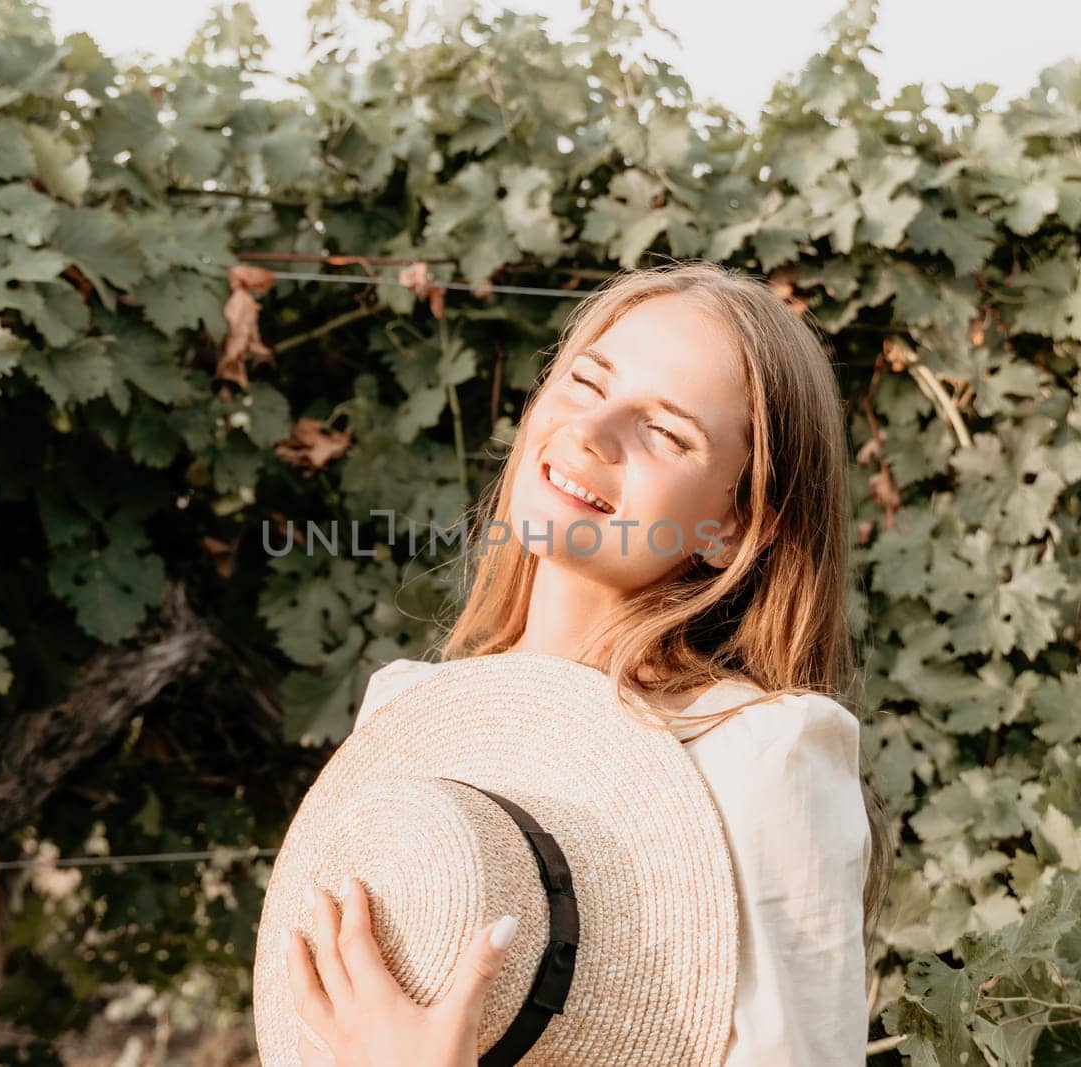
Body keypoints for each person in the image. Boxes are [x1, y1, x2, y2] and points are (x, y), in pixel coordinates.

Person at [283, 259, 894, 1066]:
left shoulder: (758, 756)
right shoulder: (406, 717)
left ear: (732, 527)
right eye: (585, 382)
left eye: (666, 431)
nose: (591, 433)